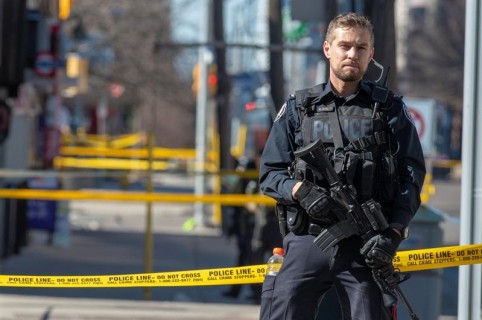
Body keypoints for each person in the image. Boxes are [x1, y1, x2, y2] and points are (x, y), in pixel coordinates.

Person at [258, 12, 426, 320]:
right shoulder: (298, 108)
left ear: (370, 54)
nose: (352, 54)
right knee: (282, 308)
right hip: (308, 239)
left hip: (365, 245)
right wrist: (299, 191)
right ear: (327, 49)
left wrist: (394, 233)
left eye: (361, 48)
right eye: (344, 45)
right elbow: (270, 173)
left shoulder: (388, 109)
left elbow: (411, 177)